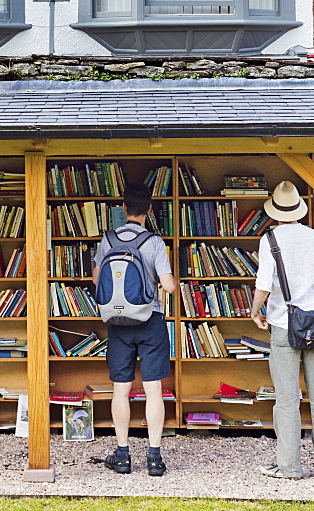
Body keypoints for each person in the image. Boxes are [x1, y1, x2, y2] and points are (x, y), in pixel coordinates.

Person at [250, 180, 314, 480]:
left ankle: (289, 467)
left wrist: (255, 310)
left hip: (283, 325)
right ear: (299, 211)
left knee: (287, 399)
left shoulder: (270, 240)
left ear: (275, 212)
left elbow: (264, 285)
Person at [93, 183, 176, 477]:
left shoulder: (109, 239)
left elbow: (96, 278)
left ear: (124, 208)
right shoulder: (154, 242)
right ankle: (154, 458)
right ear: (149, 209)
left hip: (117, 321)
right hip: (149, 319)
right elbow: (167, 285)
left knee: (121, 389)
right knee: (153, 390)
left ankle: (123, 455)